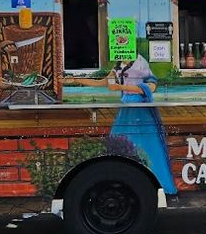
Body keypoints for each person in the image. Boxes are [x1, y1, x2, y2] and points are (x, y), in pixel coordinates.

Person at [62, 54, 176, 193]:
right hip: (126, 107)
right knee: (119, 144)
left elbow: (150, 87)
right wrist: (75, 80)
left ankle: (154, 182)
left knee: (146, 144)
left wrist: (120, 87)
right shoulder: (118, 66)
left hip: (139, 109)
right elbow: (102, 82)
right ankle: (121, 181)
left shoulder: (140, 62)